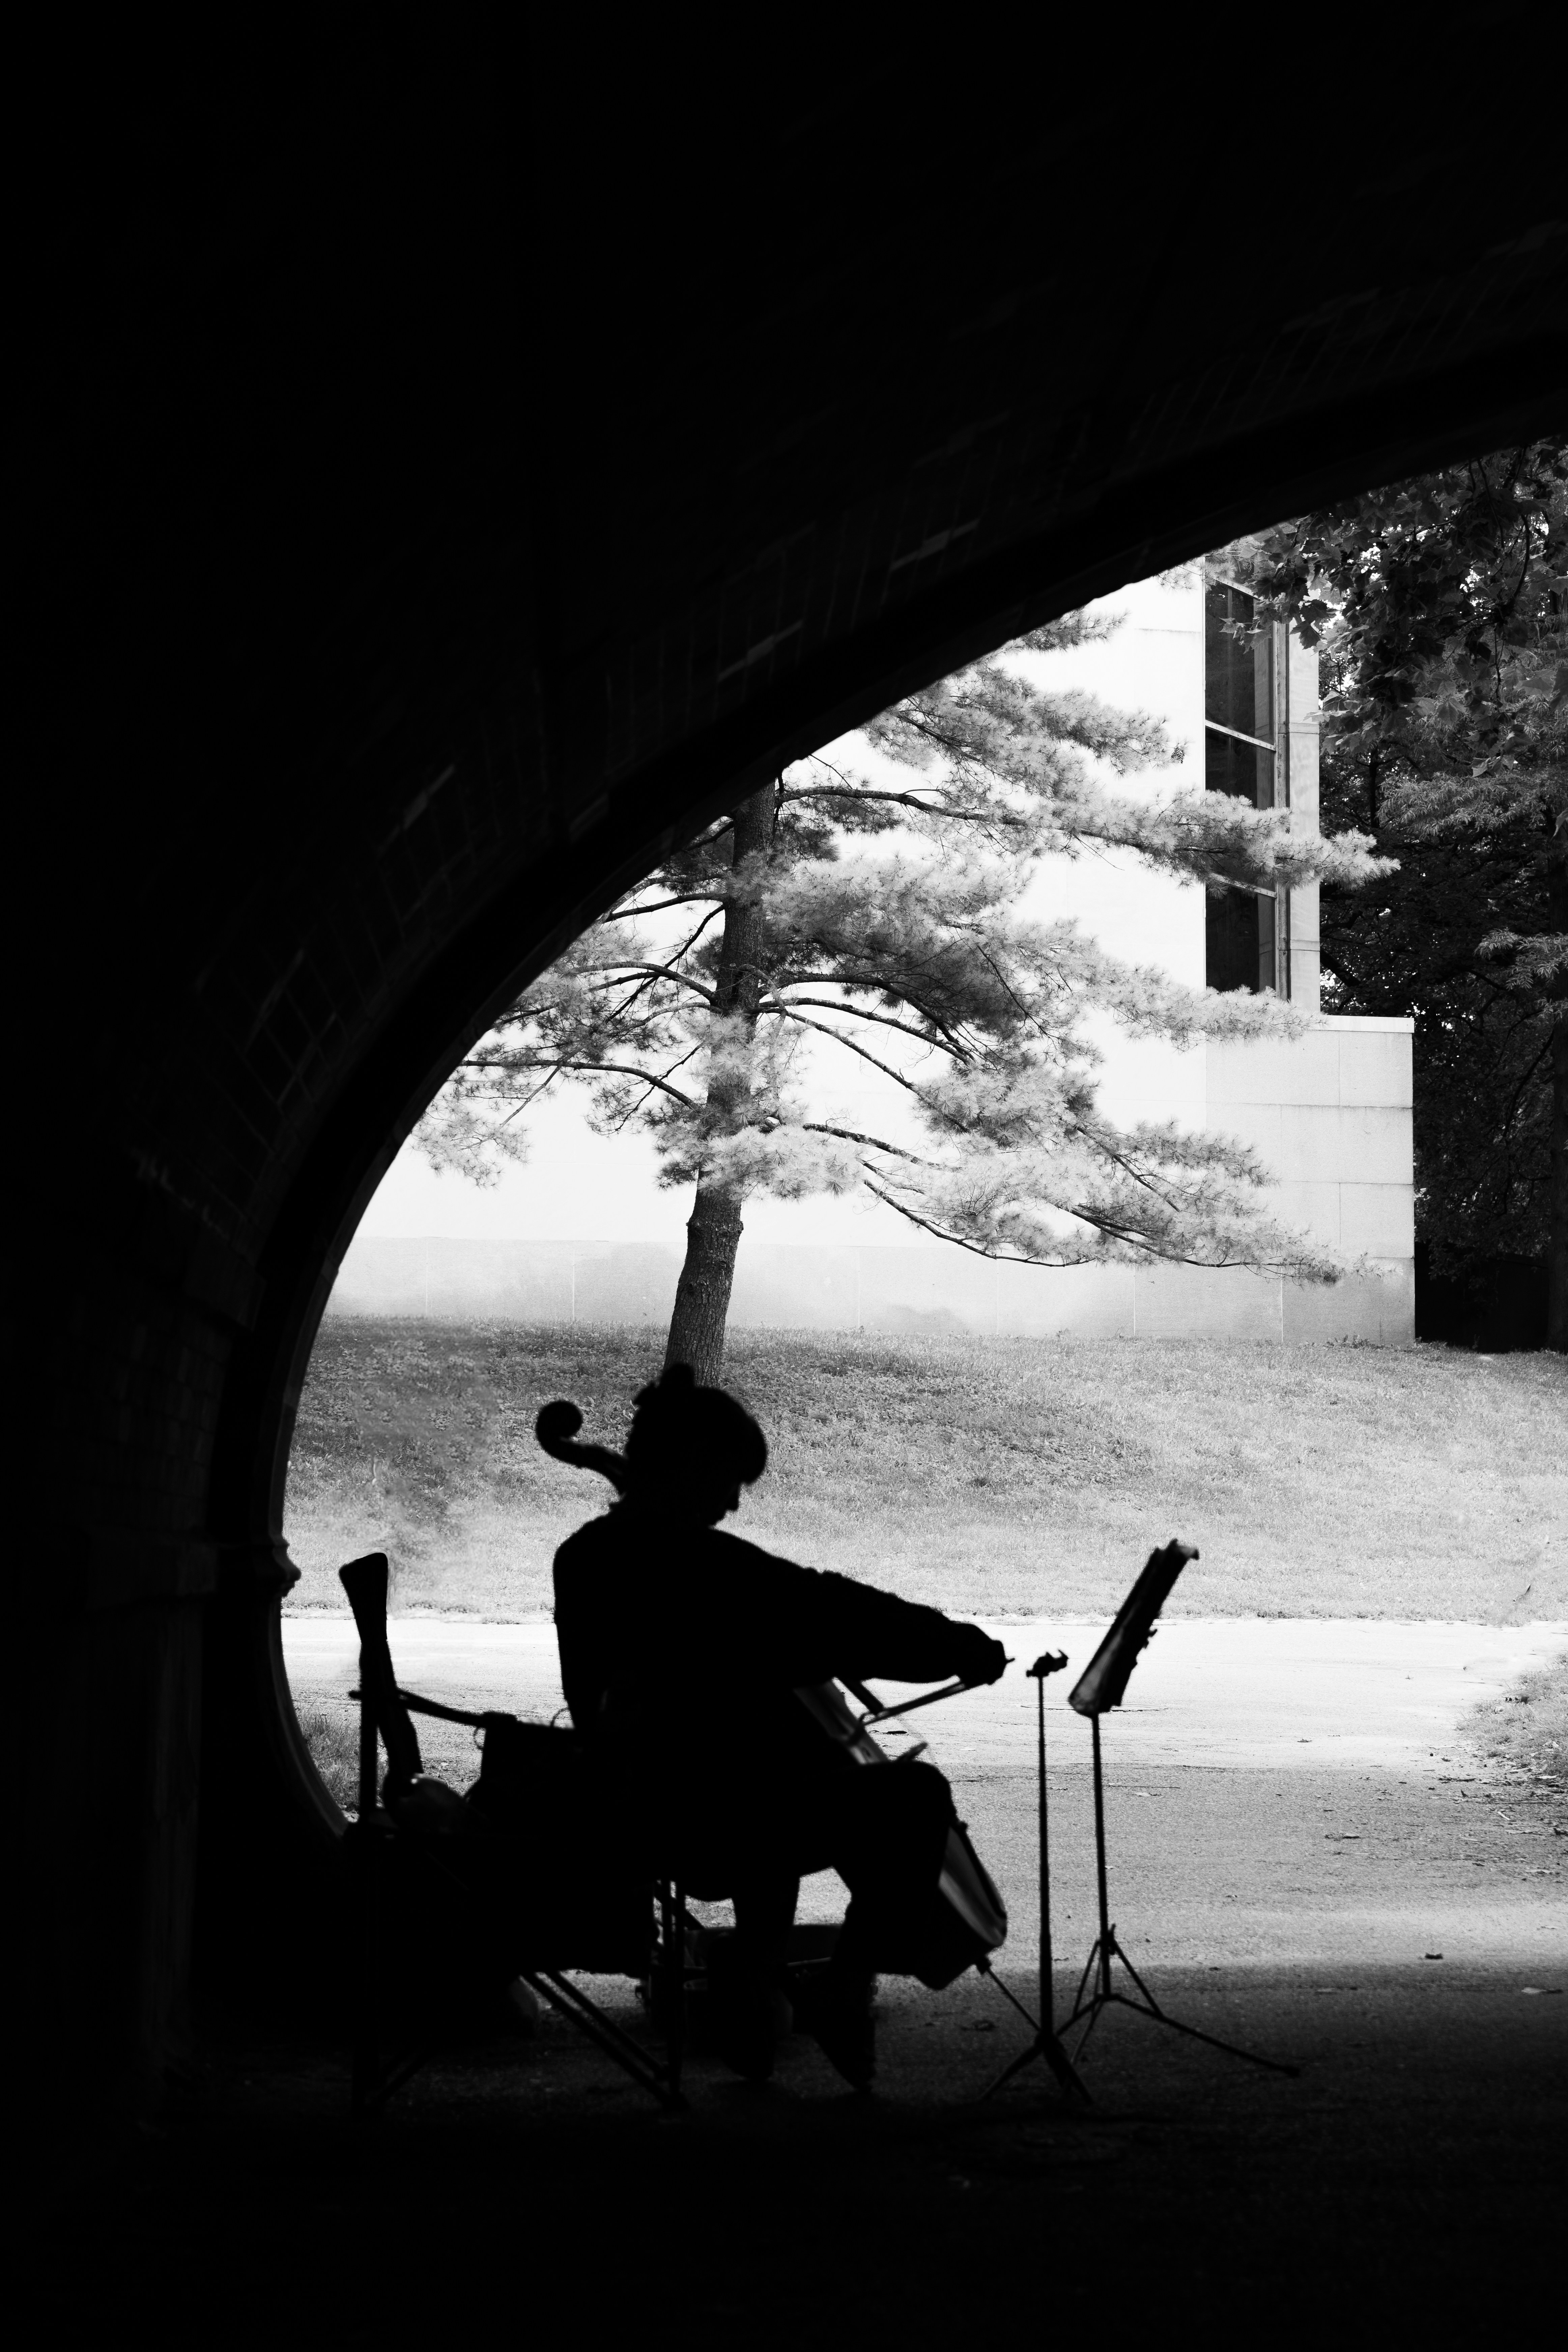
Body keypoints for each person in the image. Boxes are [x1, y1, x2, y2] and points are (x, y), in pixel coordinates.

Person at [550, 1363, 1007, 2087]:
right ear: (695, 1465)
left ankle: (755, 1989)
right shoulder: (713, 1568)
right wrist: (959, 1647)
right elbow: (840, 1613)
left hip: (637, 1806)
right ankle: (844, 1986)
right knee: (913, 1795)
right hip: (709, 1825)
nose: (733, 1504)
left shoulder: (580, 1559)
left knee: (768, 1764)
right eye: (730, 1479)